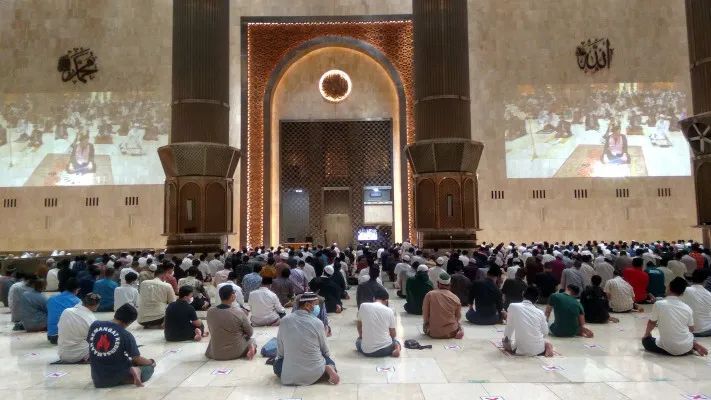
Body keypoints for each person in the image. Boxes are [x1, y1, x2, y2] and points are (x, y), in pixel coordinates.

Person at [274, 292, 340, 386]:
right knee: (328, 360)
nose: (318, 307)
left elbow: (280, 352)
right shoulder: (317, 323)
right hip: (315, 374)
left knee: (277, 364)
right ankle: (328, 368)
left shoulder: (284, 320)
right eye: (316, 304)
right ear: (307, 305)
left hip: (289, 376)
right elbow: (325, 351)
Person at [87, 304, 156, 387]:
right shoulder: (126, 335)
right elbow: (136, 358)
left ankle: (133, 369)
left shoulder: (95, 325)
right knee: (149, 369)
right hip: (115, 376)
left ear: (116, 314)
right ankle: (137, 371)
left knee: (131, 362)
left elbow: (90, 342)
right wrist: (151, 362)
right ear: (129, 322)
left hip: (97, 376)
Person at [642, 277, 709, 356]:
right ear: (682, 293)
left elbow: (651, 323)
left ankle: (688, 345)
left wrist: (647, 334)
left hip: (669, 347)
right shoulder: (687, 308)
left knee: (646, 341)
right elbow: (691, 329)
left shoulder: (659, 304)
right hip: (686, 346)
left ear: (668, 287)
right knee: (683, 337)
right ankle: (691, 345)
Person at [205, 285, 257, 360]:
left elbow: (211, 330)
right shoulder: (238, 312)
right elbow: (250, 332)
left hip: (215, 353)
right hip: (235, 352)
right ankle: (251, 347)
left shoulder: (210, 311)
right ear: (233, 297)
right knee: (252, 340)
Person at [503, 287, 554, 356]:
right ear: (536, 300)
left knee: (505, 342)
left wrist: (506, 338)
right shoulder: (540, 312)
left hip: (521, 350)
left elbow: (509, 327)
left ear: (523, 294)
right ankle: (547, 347)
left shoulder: (513, 306)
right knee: (545, 342)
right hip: (539, 349)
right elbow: (545, 333)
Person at [356, 291, 401, 357]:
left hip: (366, 350)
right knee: (395, 340)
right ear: (386, 301)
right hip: (385, 350)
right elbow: (393, 334)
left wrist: (361, 336)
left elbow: (359, 326)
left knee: (358, 342)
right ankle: (397, 347)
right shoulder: (389, 311)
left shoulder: (363, 306)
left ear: (374, 299)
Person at [57, 293, 100, 362]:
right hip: (81, 354)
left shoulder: (66, 311)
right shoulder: (92, 319)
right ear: (96, 305)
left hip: (63, 354)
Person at [422, 272, 464, 339]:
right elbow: (458, 317)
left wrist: (427, 325)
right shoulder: (455, 298)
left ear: (438, 283)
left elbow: (425, 314)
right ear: (450, 284)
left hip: (434, 332)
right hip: (451, 332)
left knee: (425, 327)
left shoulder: (430, 295)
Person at [46, 278, 81, 344]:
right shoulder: (78, 301)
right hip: (66, 337)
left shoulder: (51, 299)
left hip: (51, 336)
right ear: (78, 289)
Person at [680, 270, 711, 337]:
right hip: (706, 330)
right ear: (705, 281)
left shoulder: (685, 290)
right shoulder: (709, 295)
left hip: (687, 330)